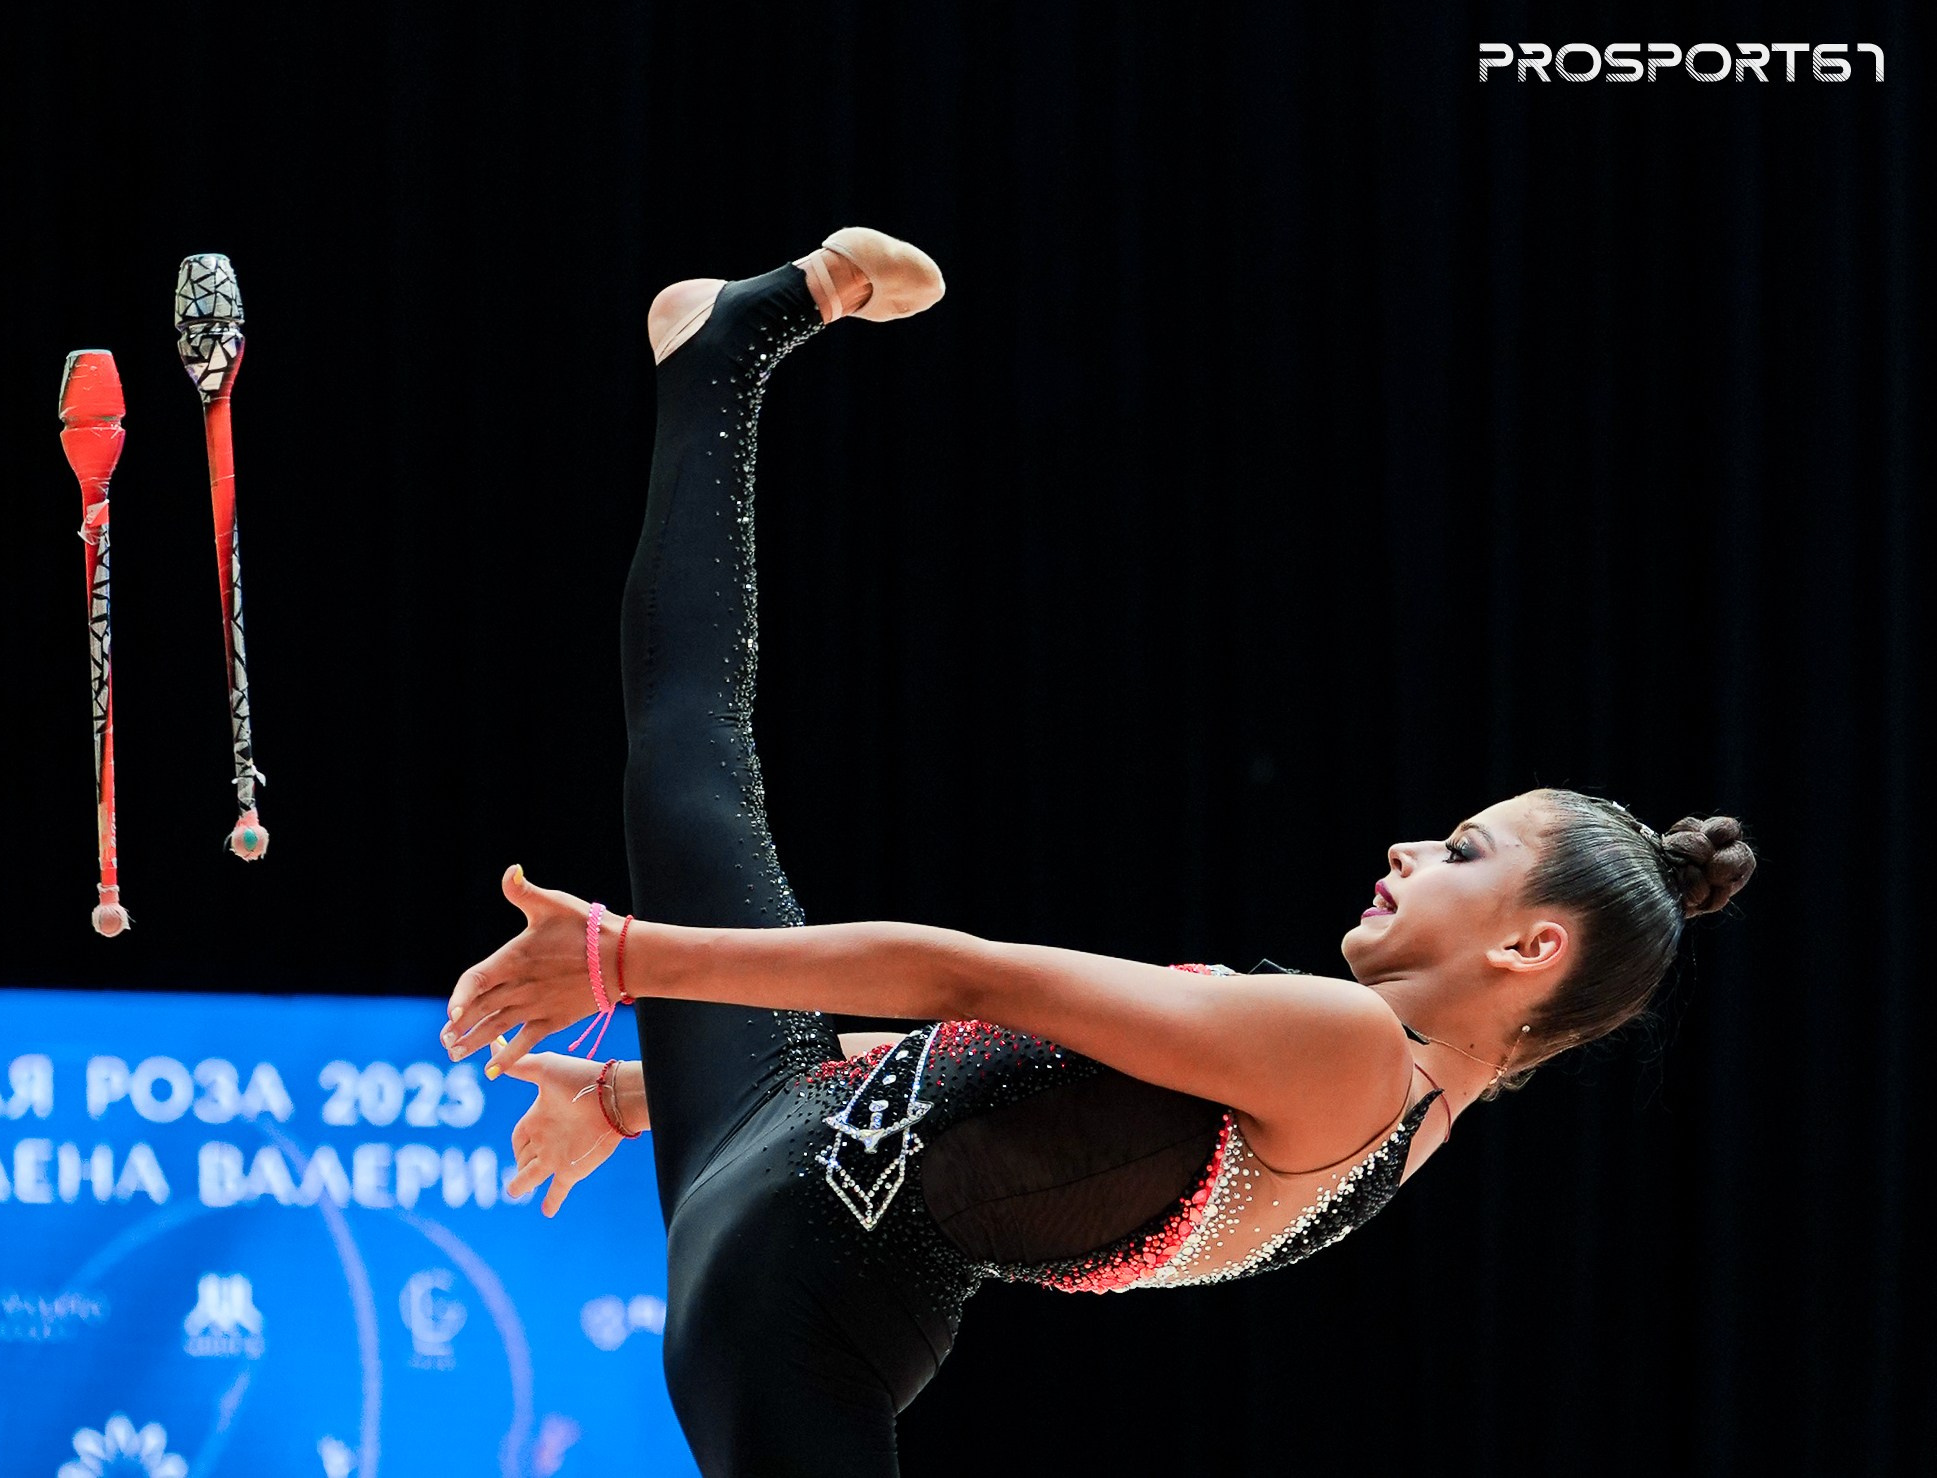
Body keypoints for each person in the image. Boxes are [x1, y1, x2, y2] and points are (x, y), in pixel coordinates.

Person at [440, 228, 1756, 1477]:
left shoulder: (1357, 1056)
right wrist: (632, 1066)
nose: (1413, 845)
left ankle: (719, 360)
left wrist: (626, 966)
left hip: (799, 1285)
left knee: (693, 762)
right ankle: (720, 348)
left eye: (1464, 849)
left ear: (1532, 946)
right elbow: (990, 1046)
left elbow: (976, 981)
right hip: (782, 1223)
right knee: (692, 761)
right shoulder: (1384, 1093)